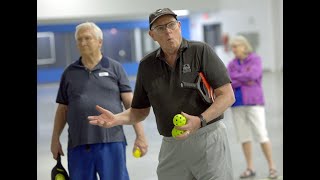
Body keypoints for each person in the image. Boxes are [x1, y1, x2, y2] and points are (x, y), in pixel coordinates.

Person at [88, 8, 235, 180]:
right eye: (160, 28)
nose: (168, 31)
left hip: (208, 137)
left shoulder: (200, 52)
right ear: (152, 35)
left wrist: (200, 120)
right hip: (172, 144)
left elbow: (227, 95)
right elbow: (139, 110)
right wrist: (116, 119)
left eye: (171, 25)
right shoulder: (147, 65)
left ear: (179, 26)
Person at [50, 22, 148, 180]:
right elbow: (62, 109)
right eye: (79, 39)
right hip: (78, 143)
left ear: (100, 42)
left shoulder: (115, 68)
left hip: (111, 141)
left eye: (87, 38)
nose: (83, 42)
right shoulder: (69, 73)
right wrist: (55, 140)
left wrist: (141, 136)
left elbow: (131, 105)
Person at [227, 35, 278, 179]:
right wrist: (245, 78)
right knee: (244, 137)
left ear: (244, 46)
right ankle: (250, 168)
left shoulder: (255, 59)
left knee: (261, 134)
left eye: (236, 46)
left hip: (254, 103)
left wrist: (238, 78)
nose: (233, 50)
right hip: (237, 104)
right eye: (232, 47)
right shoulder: (231, 64)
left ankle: (272, 167)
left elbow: (254, 75)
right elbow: (228, 81)